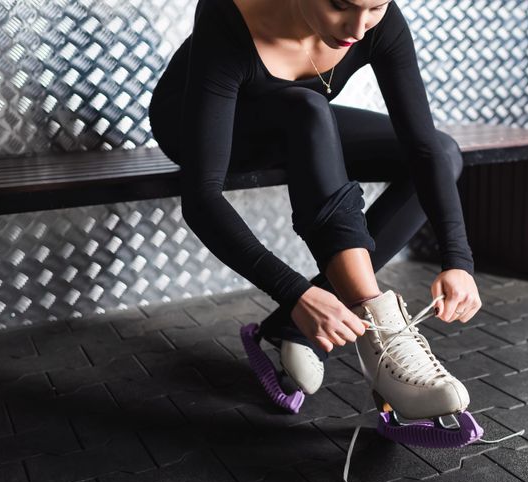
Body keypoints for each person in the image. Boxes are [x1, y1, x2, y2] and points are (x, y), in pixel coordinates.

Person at [148, 0, 483, 418]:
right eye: (341, 4)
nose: (358, 28)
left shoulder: (375, 21)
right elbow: (201, 198)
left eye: (376, 7)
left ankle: (291, 329)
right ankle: (380, 331)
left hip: (297, 118)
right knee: (308, 106)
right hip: (196, 124)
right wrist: (294, 293)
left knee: (443, 152)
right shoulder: (228, 13)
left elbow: (422, 146)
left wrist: (458, 259)